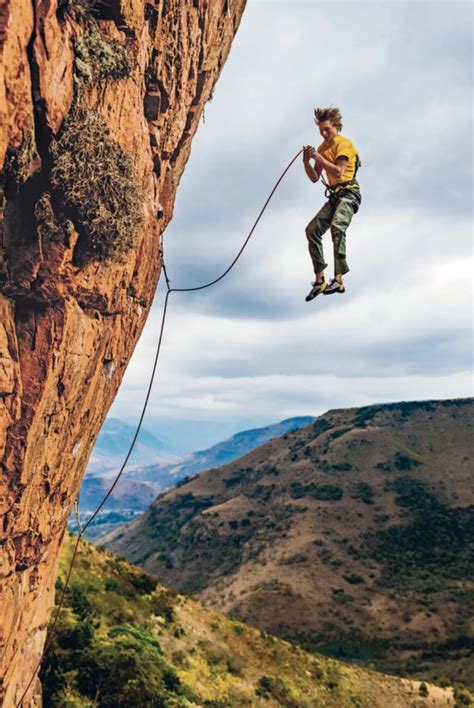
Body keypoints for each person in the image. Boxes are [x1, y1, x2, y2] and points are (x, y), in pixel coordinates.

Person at [303, 107, 361, 301]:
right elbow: (314, 177)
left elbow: (337, 172)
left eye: (327, 129)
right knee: (312, 230)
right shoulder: (322, 149)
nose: (324, 133)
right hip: (335, 197)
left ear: (336, 125)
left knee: (337, 226)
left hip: (349, 193)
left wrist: (319, 158)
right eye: (321, 130)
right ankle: (320, 281)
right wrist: (306, 162)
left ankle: (338, 279)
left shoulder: (344, 145)